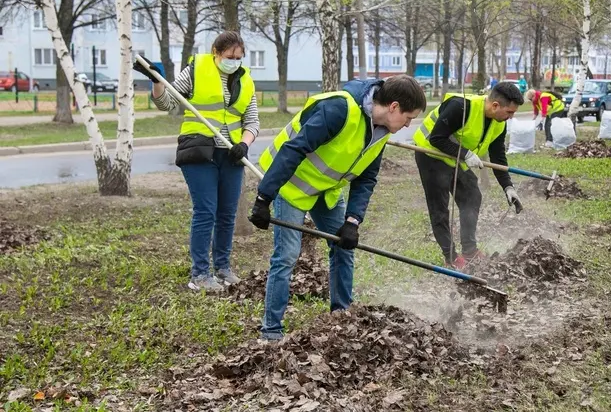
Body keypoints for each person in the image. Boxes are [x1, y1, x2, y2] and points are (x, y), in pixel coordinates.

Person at [248, 75, 427, 341]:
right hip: (292, 187)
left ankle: (341, 316)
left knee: (344, 247)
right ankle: (271, 331)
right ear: (393, 107)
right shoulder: (339, 109)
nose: (408, 125)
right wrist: (264, 198)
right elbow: (294, 149)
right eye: (408, 118)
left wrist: (353, 221)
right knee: (286, 256)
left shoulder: (381, 132)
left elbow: (366, 178)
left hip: (327, 191)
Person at [134, 31, 259, 292]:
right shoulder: (196, 71)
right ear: (216, 52)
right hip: (199, 151)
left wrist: (244, 144)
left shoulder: (246, 81)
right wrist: (156, 81)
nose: (234, 61)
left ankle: (223, 269)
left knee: (227, 214)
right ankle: (200, 274)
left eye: (239, 57)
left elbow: (252, 122)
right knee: (206, 211)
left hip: (232, 154)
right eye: (229, 56)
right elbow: (168, 104)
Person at [412, 82, 525, 270]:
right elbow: (436, 138)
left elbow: (498, 157)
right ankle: (450, 257)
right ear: (495, 106)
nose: (511, 117)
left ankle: (470, 250)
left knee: (472, 195)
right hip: (430, 154)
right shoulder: (461, 107)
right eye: (509, 112)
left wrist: (508, 187)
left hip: (454, 157)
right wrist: (466, 154)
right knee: (439, 207)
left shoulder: (499, 123)